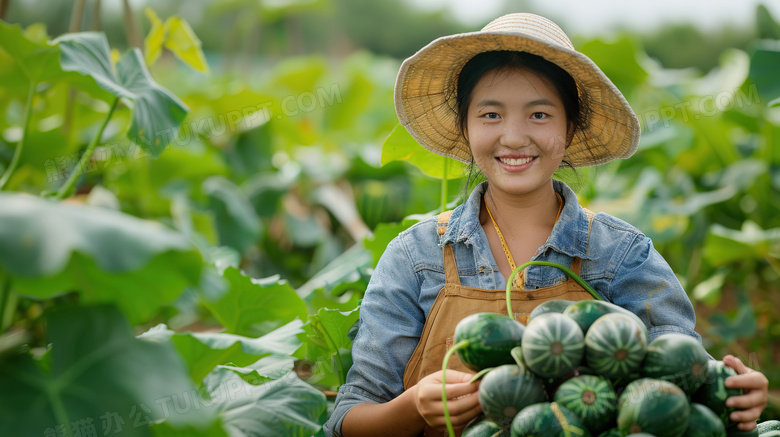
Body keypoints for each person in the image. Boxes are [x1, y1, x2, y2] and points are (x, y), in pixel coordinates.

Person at [323, 13, 769, 437]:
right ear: (465, 127)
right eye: (490, 115)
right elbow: (348, 419)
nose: (514, 137)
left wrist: (735, 395)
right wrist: (412, 405)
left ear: (571, 127)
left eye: (539, 114)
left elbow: (684, 378)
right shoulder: (414, 257)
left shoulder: (621, 254)